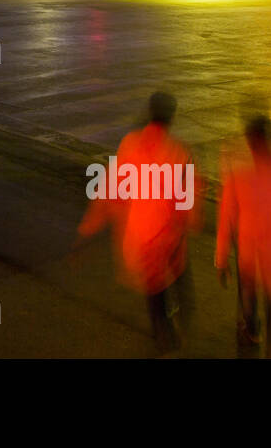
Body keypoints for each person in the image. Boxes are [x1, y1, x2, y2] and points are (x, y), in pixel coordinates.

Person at [78, 91, 201, 353]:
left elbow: (110, 189)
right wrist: (191, 222)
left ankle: (164, 338)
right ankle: (180, 332)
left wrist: (89, 226)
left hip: (143, 236)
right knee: (183, 290)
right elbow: (187, 201)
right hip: (171, 236)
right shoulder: (180, 151)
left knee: (155, 296)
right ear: (172, 117)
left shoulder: (130, 144)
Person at [216, 115, 271, 358]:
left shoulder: (238, 176)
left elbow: (226, 219)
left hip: (249, 254)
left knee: (249, 298)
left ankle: (252, 331)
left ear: (250, 143)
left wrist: (221, 259)